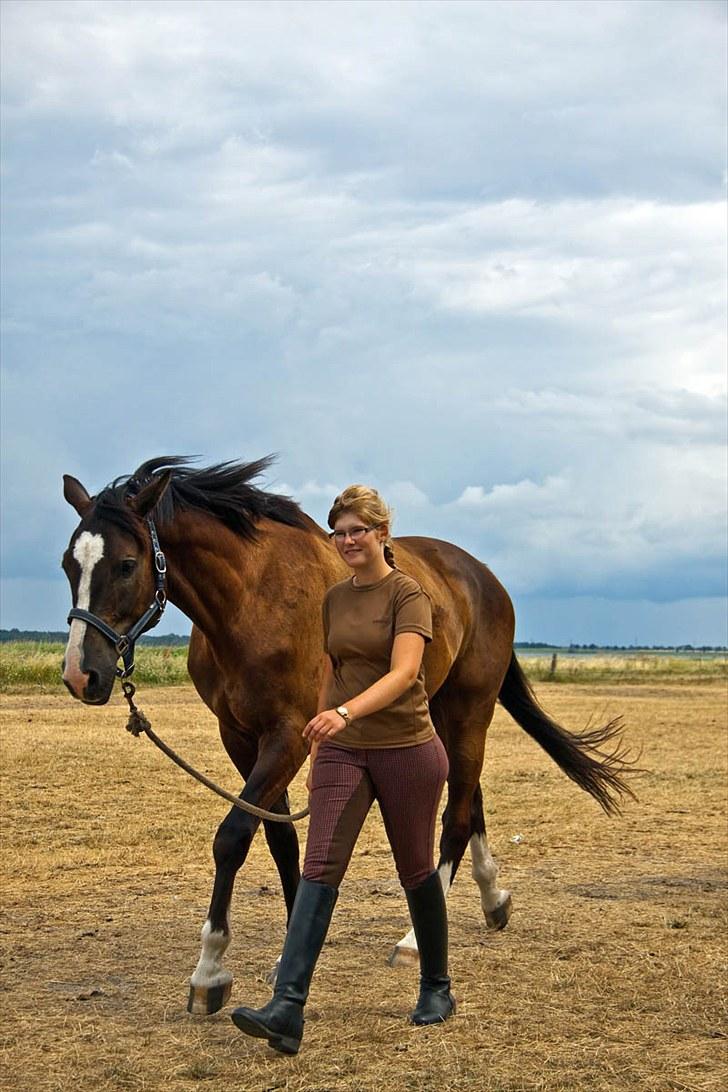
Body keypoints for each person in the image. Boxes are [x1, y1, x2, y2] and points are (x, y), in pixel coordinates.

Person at [231, 485, 454, 1054]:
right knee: (320, 864)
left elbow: (405, 673)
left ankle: (436, 985)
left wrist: (345, 712)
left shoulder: (409, 596)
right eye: (340, 531)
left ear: (382, 533)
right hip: (342, 751)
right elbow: (331, 671)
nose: (348, 540)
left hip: (407, 749)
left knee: (415, 867)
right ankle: (287, 1007)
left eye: (358, 530)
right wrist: (320, 743)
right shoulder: (333, 600)